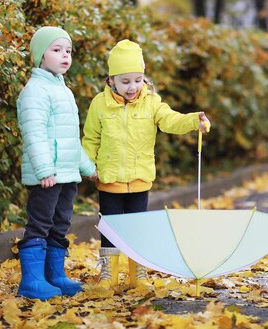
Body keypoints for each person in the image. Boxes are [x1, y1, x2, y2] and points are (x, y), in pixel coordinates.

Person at [82, 39, 211, 290]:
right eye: (125, 81)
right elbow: (91, 137)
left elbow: (170, 120)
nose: (133, 87)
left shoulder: (151, 102)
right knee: (110, 226)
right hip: (109, 178)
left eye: (138, 80)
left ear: (144, 78)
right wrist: (89, 166)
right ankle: (108, 276)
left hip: (140, 178)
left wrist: (194, 121)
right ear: (111, 81)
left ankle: (137, 275)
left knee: (137, 227)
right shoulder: (100, 103)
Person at [16, 26, 97, 300]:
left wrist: (87, 168)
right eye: (57, 50)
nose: (65, 56)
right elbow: (34, 132)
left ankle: (55, 276)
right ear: (40, 56)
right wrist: (44, 169)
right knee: (41, 222)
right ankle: (32, 281)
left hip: (66, 175)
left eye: (68, 51)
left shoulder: (64, 91)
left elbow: (70, 139)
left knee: (61, 223)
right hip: (47, 176)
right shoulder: (35, 90)